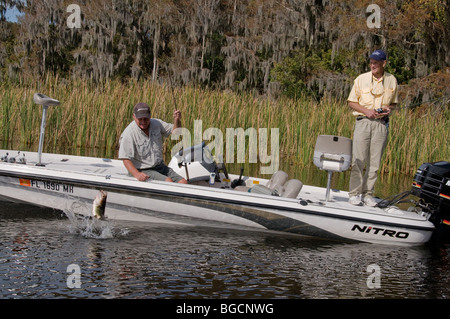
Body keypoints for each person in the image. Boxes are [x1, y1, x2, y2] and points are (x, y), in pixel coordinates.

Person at [347, 50, 398, 206]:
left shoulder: (392, 80)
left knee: (374, 163)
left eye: (376, 62)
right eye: (371, 62)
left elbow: (394, 104)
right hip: (363, 122)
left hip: (381, 125)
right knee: (358, 159)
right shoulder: (361, 79)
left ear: (384, 63)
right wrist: (367, 111)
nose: (373, 65)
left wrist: (389, 109)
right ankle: (354, 193)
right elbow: (351, 102)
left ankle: (368, 194)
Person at [118, 102, 188, 184]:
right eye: (140, 119)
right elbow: (125, 159)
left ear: (150, 116)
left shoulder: (156, 123)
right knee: (168, 182)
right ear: (134, 117)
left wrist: (177, 120)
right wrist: (137, 174)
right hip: (143, 169)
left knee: (183, 182)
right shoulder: (129, 133)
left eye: (146, 119)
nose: (143, 122)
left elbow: (176, 132)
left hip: (160, 167)